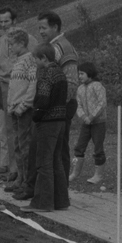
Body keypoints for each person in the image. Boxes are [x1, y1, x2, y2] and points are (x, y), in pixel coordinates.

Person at [22, 43, 69, 213]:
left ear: (43, 58)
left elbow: (42, 100)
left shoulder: (46, 74)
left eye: (36, 58)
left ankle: (43, 202)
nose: (35, 62)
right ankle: (61, 201)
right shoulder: (60, 73)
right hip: (60, 121)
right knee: (56, 161)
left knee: (43, 163)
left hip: (47, 122)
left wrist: (35, 116)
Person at [0, 7, 37, 184]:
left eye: (7, 21)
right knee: (9, 130)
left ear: (14, 21)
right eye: (1, 22)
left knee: (25, 130)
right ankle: (14, 169)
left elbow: (36, 61)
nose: (4, 25)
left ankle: (27, 172)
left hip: (24, 87)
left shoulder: (29, 39)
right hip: (7, 87)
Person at [37, 11, 78, 182]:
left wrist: (58, 107)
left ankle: (61, 189)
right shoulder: (53, 45)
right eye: (39, 28)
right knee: (53, 149)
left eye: (43, 27)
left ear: (55, 27)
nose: (40, 32)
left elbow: (72, 81)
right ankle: (55, 187)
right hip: (52, 105)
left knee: (60, 148)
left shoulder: (63, 47)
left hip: (61, 106)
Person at [3, 28, 36, 199]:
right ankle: (20, 177)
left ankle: (27, 182)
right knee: (17, 144)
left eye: (12, 45)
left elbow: (32, 84)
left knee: (25, 146)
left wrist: (24, 104)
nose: (10, 48)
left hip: (24, 110)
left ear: (22, 44)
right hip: (14, 109)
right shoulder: (17, 62)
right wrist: (10, 105)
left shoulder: (30, 61)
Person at [70, 61, 107, 184]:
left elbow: (102, 103)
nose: (79, 76)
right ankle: (75, 172)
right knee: (79, 147)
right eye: (78, 74)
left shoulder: (98, 86)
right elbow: (78, 105)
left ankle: (98, 175)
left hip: (99, 123)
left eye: (82, 74)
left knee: (98, 148)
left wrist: (91, 117)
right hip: (86, 123)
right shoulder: (80, 88)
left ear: (89, 74)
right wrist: (83, 117)